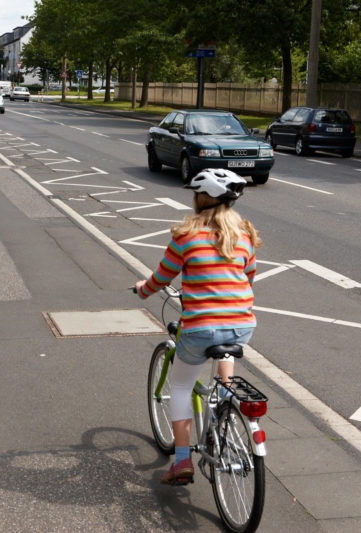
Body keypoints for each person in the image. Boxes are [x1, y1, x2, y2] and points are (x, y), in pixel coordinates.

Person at [134, 168, 261, 486]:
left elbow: (162, 277)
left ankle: (181, 460)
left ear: (200, 198)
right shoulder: (244, 233)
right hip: (242, 324)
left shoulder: (186, 235)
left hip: (200, 327)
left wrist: (142, 289)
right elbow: (250, 276)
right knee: (225, 336)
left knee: (179, 386)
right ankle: (224, 394)